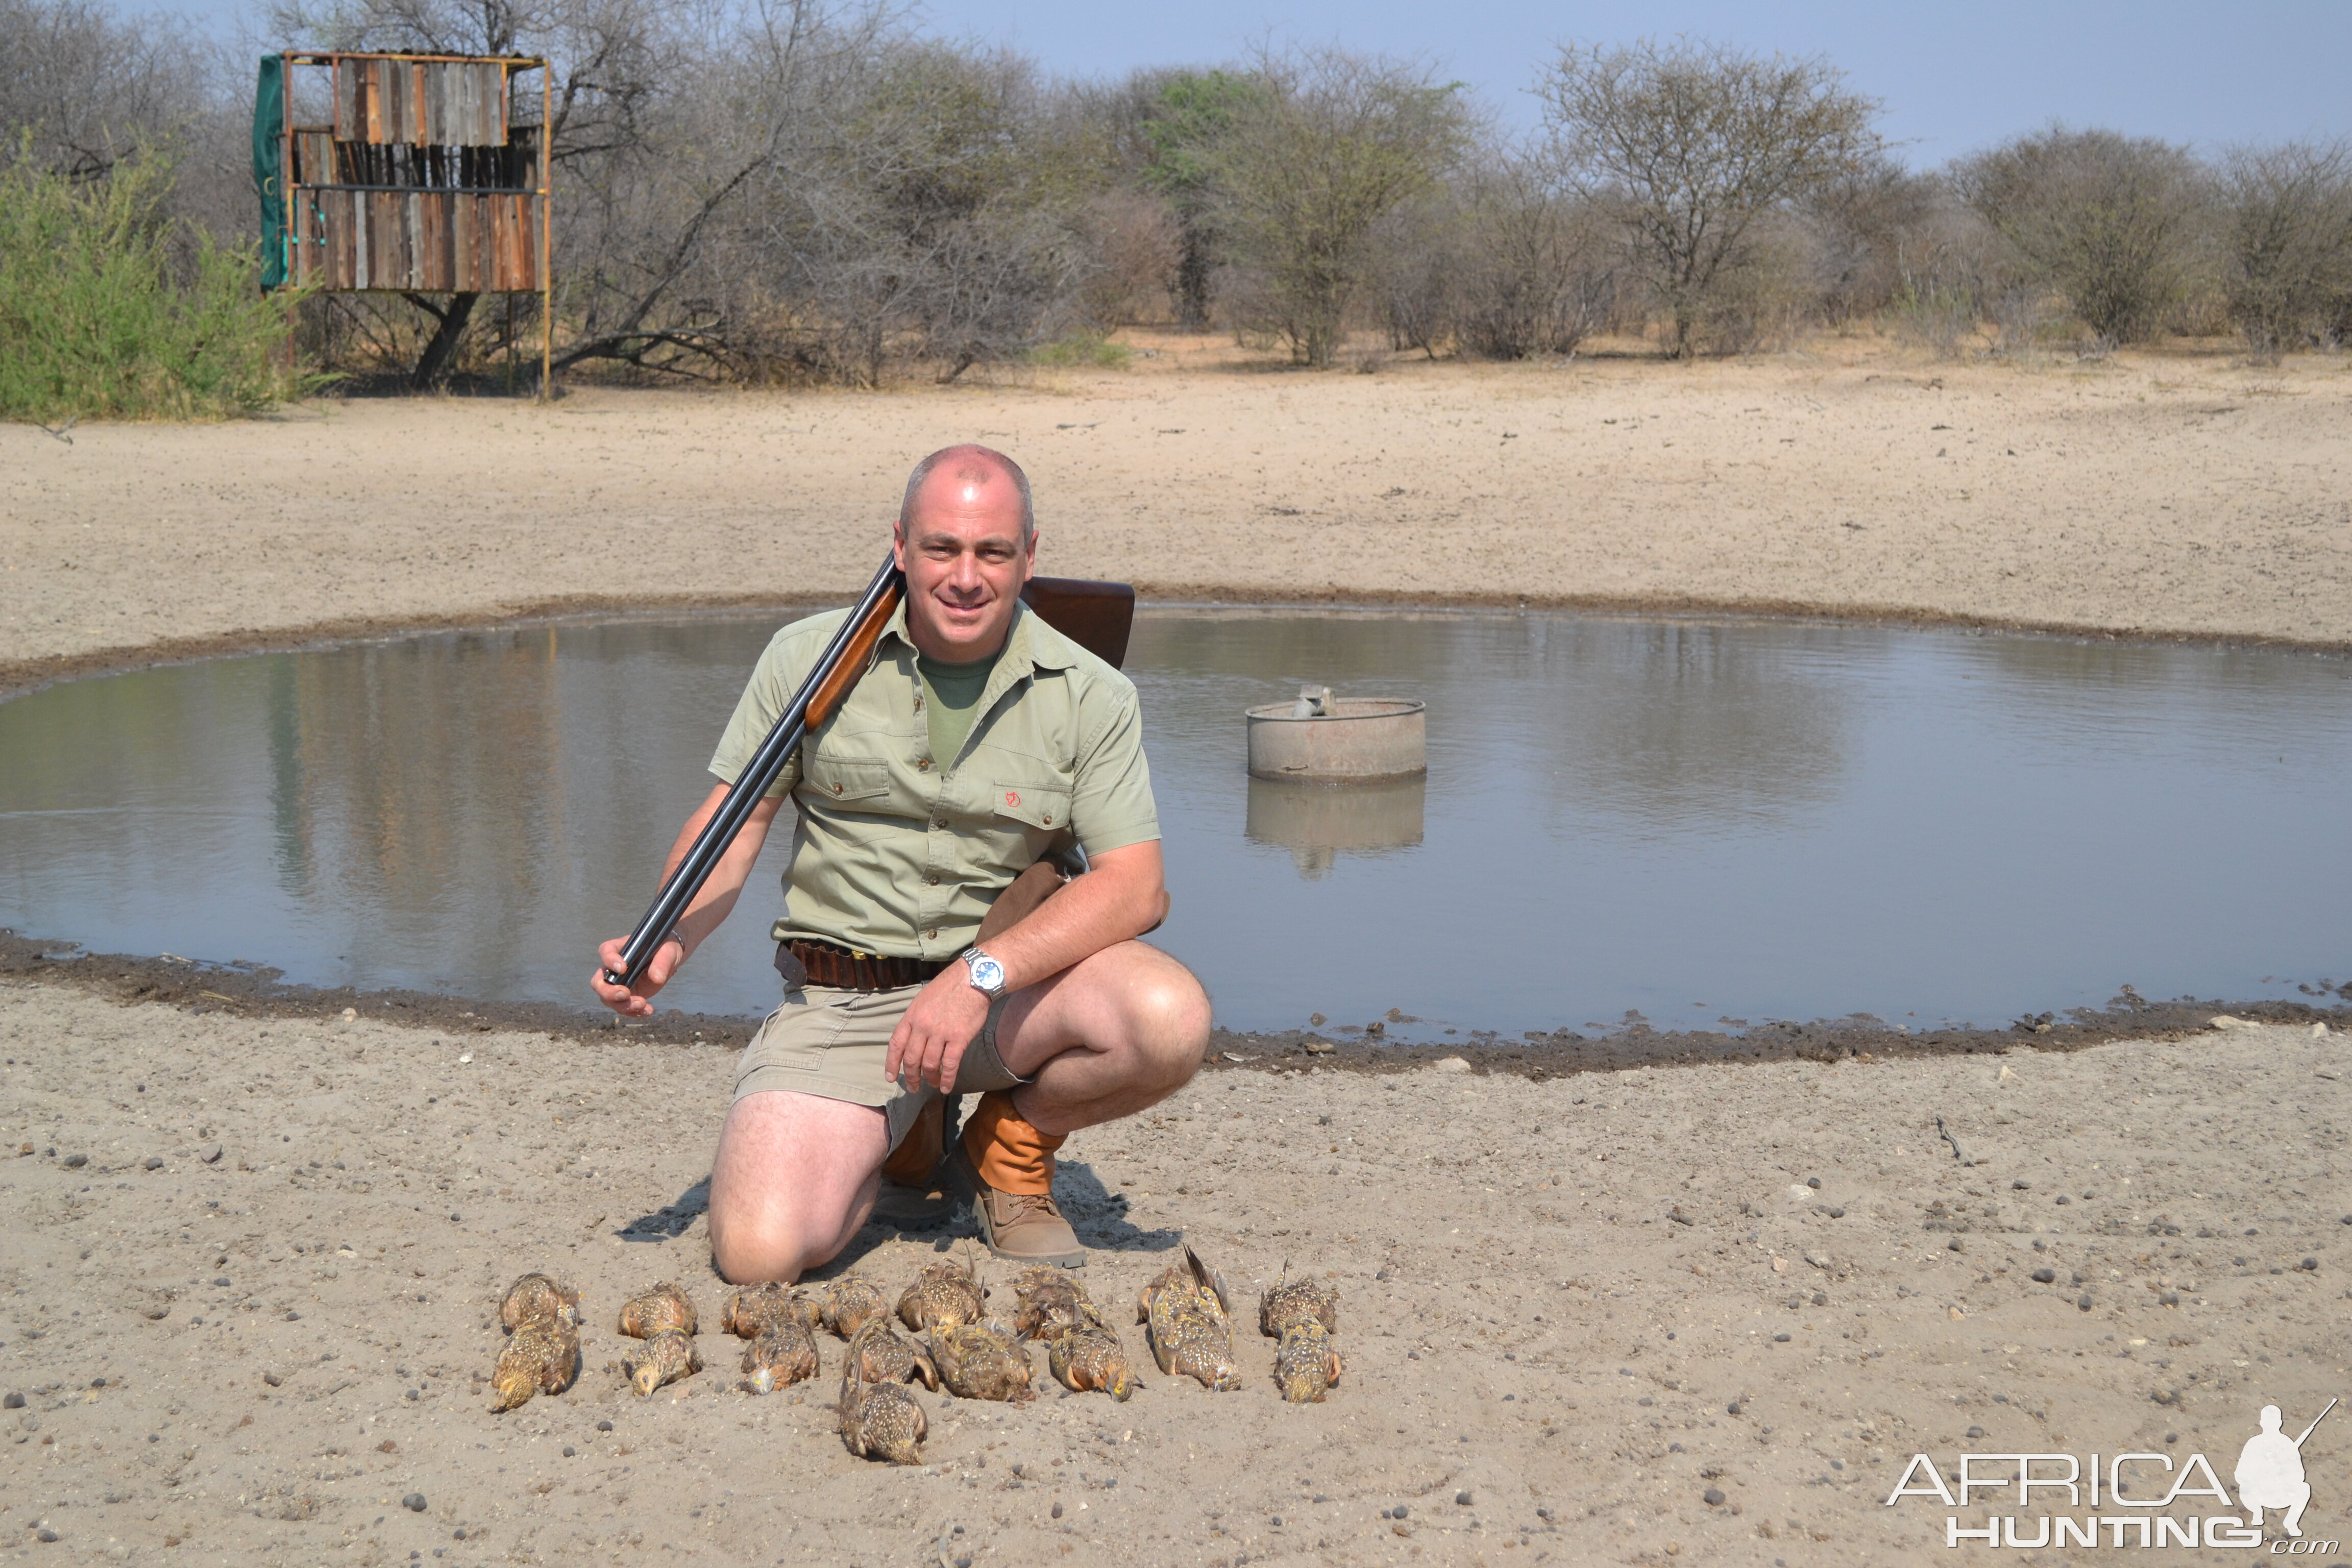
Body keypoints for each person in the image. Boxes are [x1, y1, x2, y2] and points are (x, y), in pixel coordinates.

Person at [592, 444, 1211, 1278]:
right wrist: (669, 937)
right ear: (900, 546)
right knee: (758, 1253)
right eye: (941, 548)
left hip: (1002, 1001)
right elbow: (733, 827)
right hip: (844, 1004)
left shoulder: (1093, 692)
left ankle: (1008, 1144)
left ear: (1029, 555)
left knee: (1168, 1016)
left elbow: (1134, 887)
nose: (965, 576)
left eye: (992, 552)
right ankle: (905, 1131)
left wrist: (977, 977)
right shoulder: (806, 659)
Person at [2234, 1402, 2327, 1537]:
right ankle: (2257, 1512)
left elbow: (2300, 1475)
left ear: (2280, 1423)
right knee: (2245, 1488)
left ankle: (2291, 1522)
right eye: (2268, 1421)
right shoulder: (2254, 1444)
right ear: (2261, 1423)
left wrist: (2282, 1471)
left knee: (2304, 1488)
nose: (2270, 1425)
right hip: (2259, 1493)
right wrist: (2259, 1474)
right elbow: (2240, 1474)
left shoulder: (2287, 1444)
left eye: (2273, 1421)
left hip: (2281, 1493)